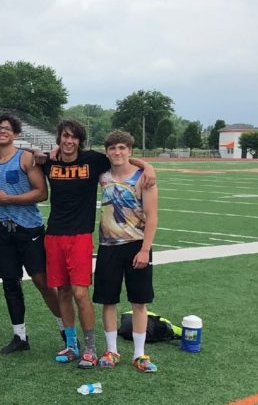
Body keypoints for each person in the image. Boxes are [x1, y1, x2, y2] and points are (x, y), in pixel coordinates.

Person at [43, 119, 155, 368]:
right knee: (62, 291)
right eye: (65, 136)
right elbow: (34, 162)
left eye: (74, 137)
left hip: (81, 235)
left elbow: (122, 157)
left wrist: (147, 166)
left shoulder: (93, 160)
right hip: (54, 235)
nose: (69, 141)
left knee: (80, 293)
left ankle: (91, 348)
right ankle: (72, 344)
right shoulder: (50, 161)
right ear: (59, 138)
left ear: (80, 141)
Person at [0, 113, 63, 355]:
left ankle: (66, 331)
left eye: (7, 128)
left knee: (42, 281)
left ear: (16, 134)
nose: (2, 131)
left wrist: (9, 199)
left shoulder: (26, 157)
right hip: (2, 230)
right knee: (10, 283)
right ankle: (20, 336)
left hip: (28, 229)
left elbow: (41, 193)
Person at [94, 130, 159, 373]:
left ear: (130, 151)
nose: (117, 152)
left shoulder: (144, 178)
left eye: (122, 148)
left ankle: (140, 355)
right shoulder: (102, 176)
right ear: (107, 151)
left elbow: (152, 218)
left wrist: (145, 250)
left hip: (136, 246)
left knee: (139, 301)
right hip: (108, 246)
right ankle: (111, 350)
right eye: (112, 148)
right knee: (107, 301)